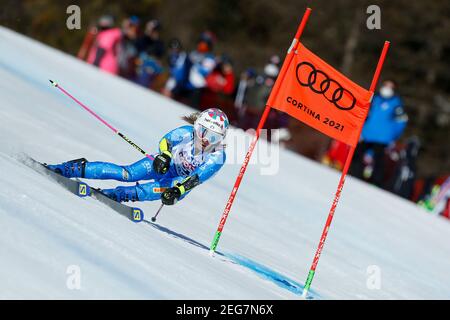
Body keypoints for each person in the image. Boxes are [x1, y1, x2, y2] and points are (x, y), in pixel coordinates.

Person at [46, 108, 229, 205]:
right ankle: (73, 168)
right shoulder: (186, 132)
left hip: (179, 182)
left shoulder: (218, 156)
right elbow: (166, 141)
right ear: (197, 127)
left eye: (213, 137)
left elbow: (197, 178)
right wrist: (163, 156)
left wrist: (178, 191)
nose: (206, 139)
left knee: (154, 191)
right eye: (203, 131)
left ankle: (118, 195)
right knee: (127, 174)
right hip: (165, 165)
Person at [350, 80, 408, 187]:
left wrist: (393, 136)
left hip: (383, 138)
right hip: (367, 134)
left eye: (390, 86)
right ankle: (354, 175)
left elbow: (401, 122)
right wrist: (361, 129)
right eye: (386, 85)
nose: (387, 88)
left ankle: (375, 182)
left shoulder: (396, 103)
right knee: (357, 155)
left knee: (378, 161)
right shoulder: (375, 99)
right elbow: (365, 114)